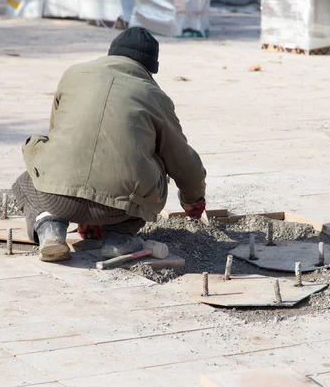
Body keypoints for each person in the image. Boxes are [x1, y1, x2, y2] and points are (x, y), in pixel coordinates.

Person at [12, 27, 207, 262]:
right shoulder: (154, 95)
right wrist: (193, 199)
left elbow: (59, 137)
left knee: (28, 178)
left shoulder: (74, 74)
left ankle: (50, 230)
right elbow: (182, 159)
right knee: (154, 168)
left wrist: (80, 203)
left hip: (58, 198)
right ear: (149, 68)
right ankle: (120, 238)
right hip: (119, 209)